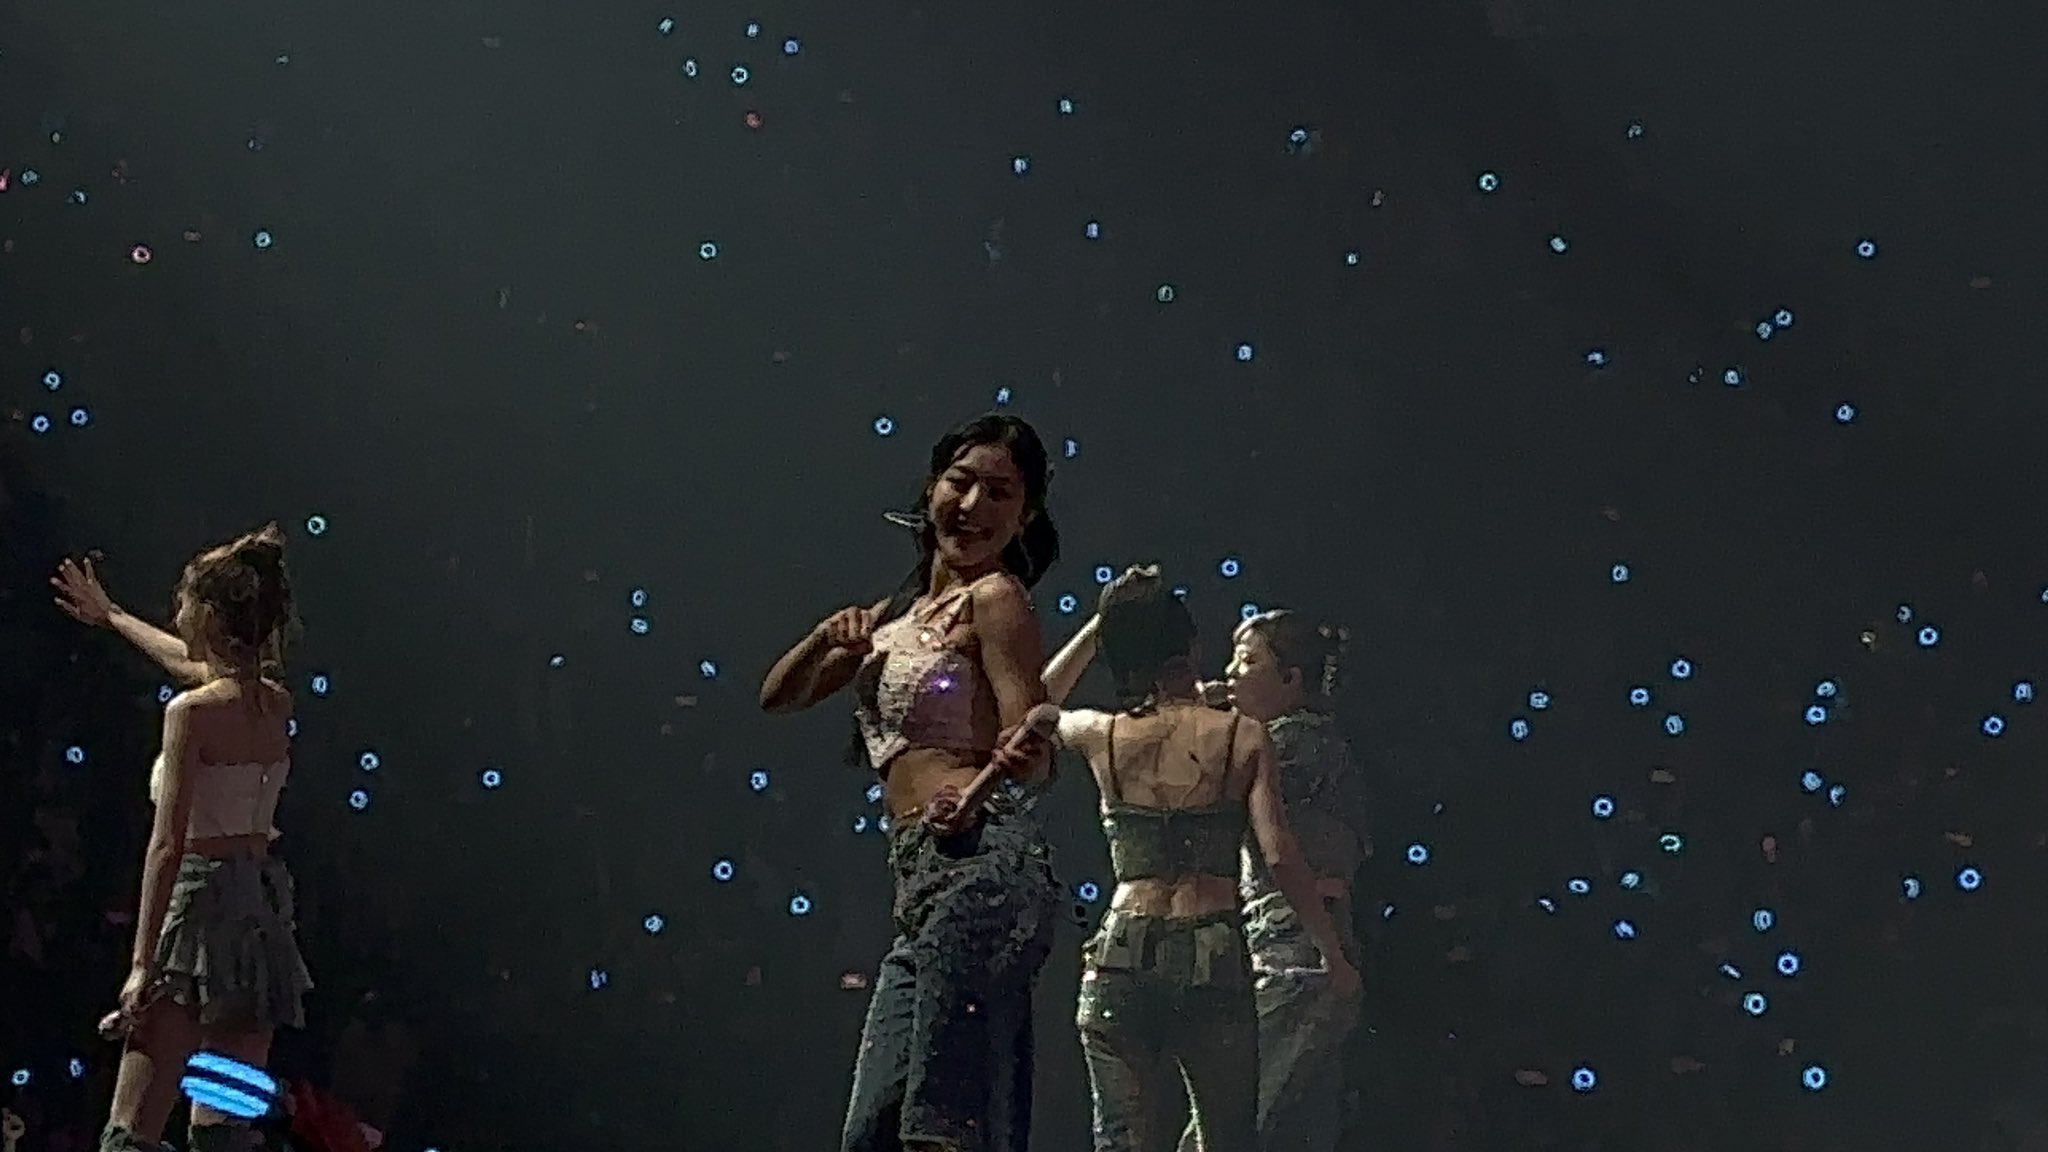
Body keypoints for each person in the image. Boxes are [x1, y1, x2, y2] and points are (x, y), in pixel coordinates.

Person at [759, 413, 1065, 1152]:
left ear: (1023, 517)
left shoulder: (995, 600)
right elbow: (778, 696)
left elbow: (1035, 753)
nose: (973, 506)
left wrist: (1018, 759)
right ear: (931, 488)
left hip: (980, 866)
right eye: (961, 482)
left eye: (1000, 493)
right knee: (874, 1130)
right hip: (919, 877)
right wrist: (826, 638)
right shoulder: (893, 621)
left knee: (939, 1124)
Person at [1039, 568, 1359, 1152]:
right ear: (1190, 649)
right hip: (1212, 947)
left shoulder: (1102, 731)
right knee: (1226, 1135)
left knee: (1122, 1138)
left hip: (1122, 947)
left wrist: (1101, 623)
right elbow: (1279, 852)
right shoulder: (1242, 737)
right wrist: (1333, 954)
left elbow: (1035, 706)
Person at [52, 527, 313, 1152]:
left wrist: (142, 966)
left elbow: (167, 845)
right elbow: (201, 667)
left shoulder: (190, 714)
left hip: (198, 913)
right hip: (258, 917)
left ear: (212, 617)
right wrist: (114, 617)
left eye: (186, 601)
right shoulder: (273, 703)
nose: (178, 612)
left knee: (132, 1131)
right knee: (224, 1131)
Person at [1209, 610, 1370, 1152]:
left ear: (1291, 679)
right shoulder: (1299, 742)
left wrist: (1188, 718)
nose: (1230, 673)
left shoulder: (1289, 745)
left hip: (1296, 949)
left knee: (1233, 1122)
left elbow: (1282, 855)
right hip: (1303, 946)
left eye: (1247, 661)